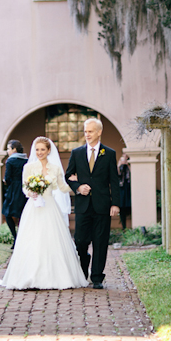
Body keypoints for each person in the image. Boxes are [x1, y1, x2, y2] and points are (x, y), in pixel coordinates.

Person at [0, 137, 88, 290]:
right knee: (32, 239)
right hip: (34, 207)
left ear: (48, 151)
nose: (39, 152)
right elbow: (24, 187)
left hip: (50, 206)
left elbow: (62, 187)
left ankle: (56, 276)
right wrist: (31, 193)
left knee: (52, 240)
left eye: (42, 150)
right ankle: (30, 275)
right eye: (37, 149)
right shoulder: (28, 167)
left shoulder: (55, 168)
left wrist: (76, 185)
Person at [65, 118, 120, 289]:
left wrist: (115, 204)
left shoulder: (109, 153)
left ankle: (97, 277)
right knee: (80, 241)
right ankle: (83, 267)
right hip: (83, 205)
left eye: (90, 131)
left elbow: (114, 180)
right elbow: (68, 176)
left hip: (103, 205)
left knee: (100, 242)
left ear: (99, 132)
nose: (87, 134)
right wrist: (78, 187)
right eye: (85, 131)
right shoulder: (77, 153)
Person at [2, 140, 28, 248]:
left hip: (13, 190)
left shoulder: (10, 161)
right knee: (23, 214)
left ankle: (16, 238)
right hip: (24, 189)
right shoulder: (26, 160)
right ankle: (22, 238)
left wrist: (5, 181)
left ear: (14, 149)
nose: (7, 151)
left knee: (7, 213)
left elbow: (8, 177)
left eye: (8, 148)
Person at [118, 153, 131, 230]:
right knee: (122, 208)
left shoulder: (129, 166)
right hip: (121, 189)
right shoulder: (120, 166)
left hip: (128, 189)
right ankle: (124, 227)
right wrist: (119, 164)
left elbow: (134, 174)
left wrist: (128, 164)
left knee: (129, 208)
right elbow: (117, 174)